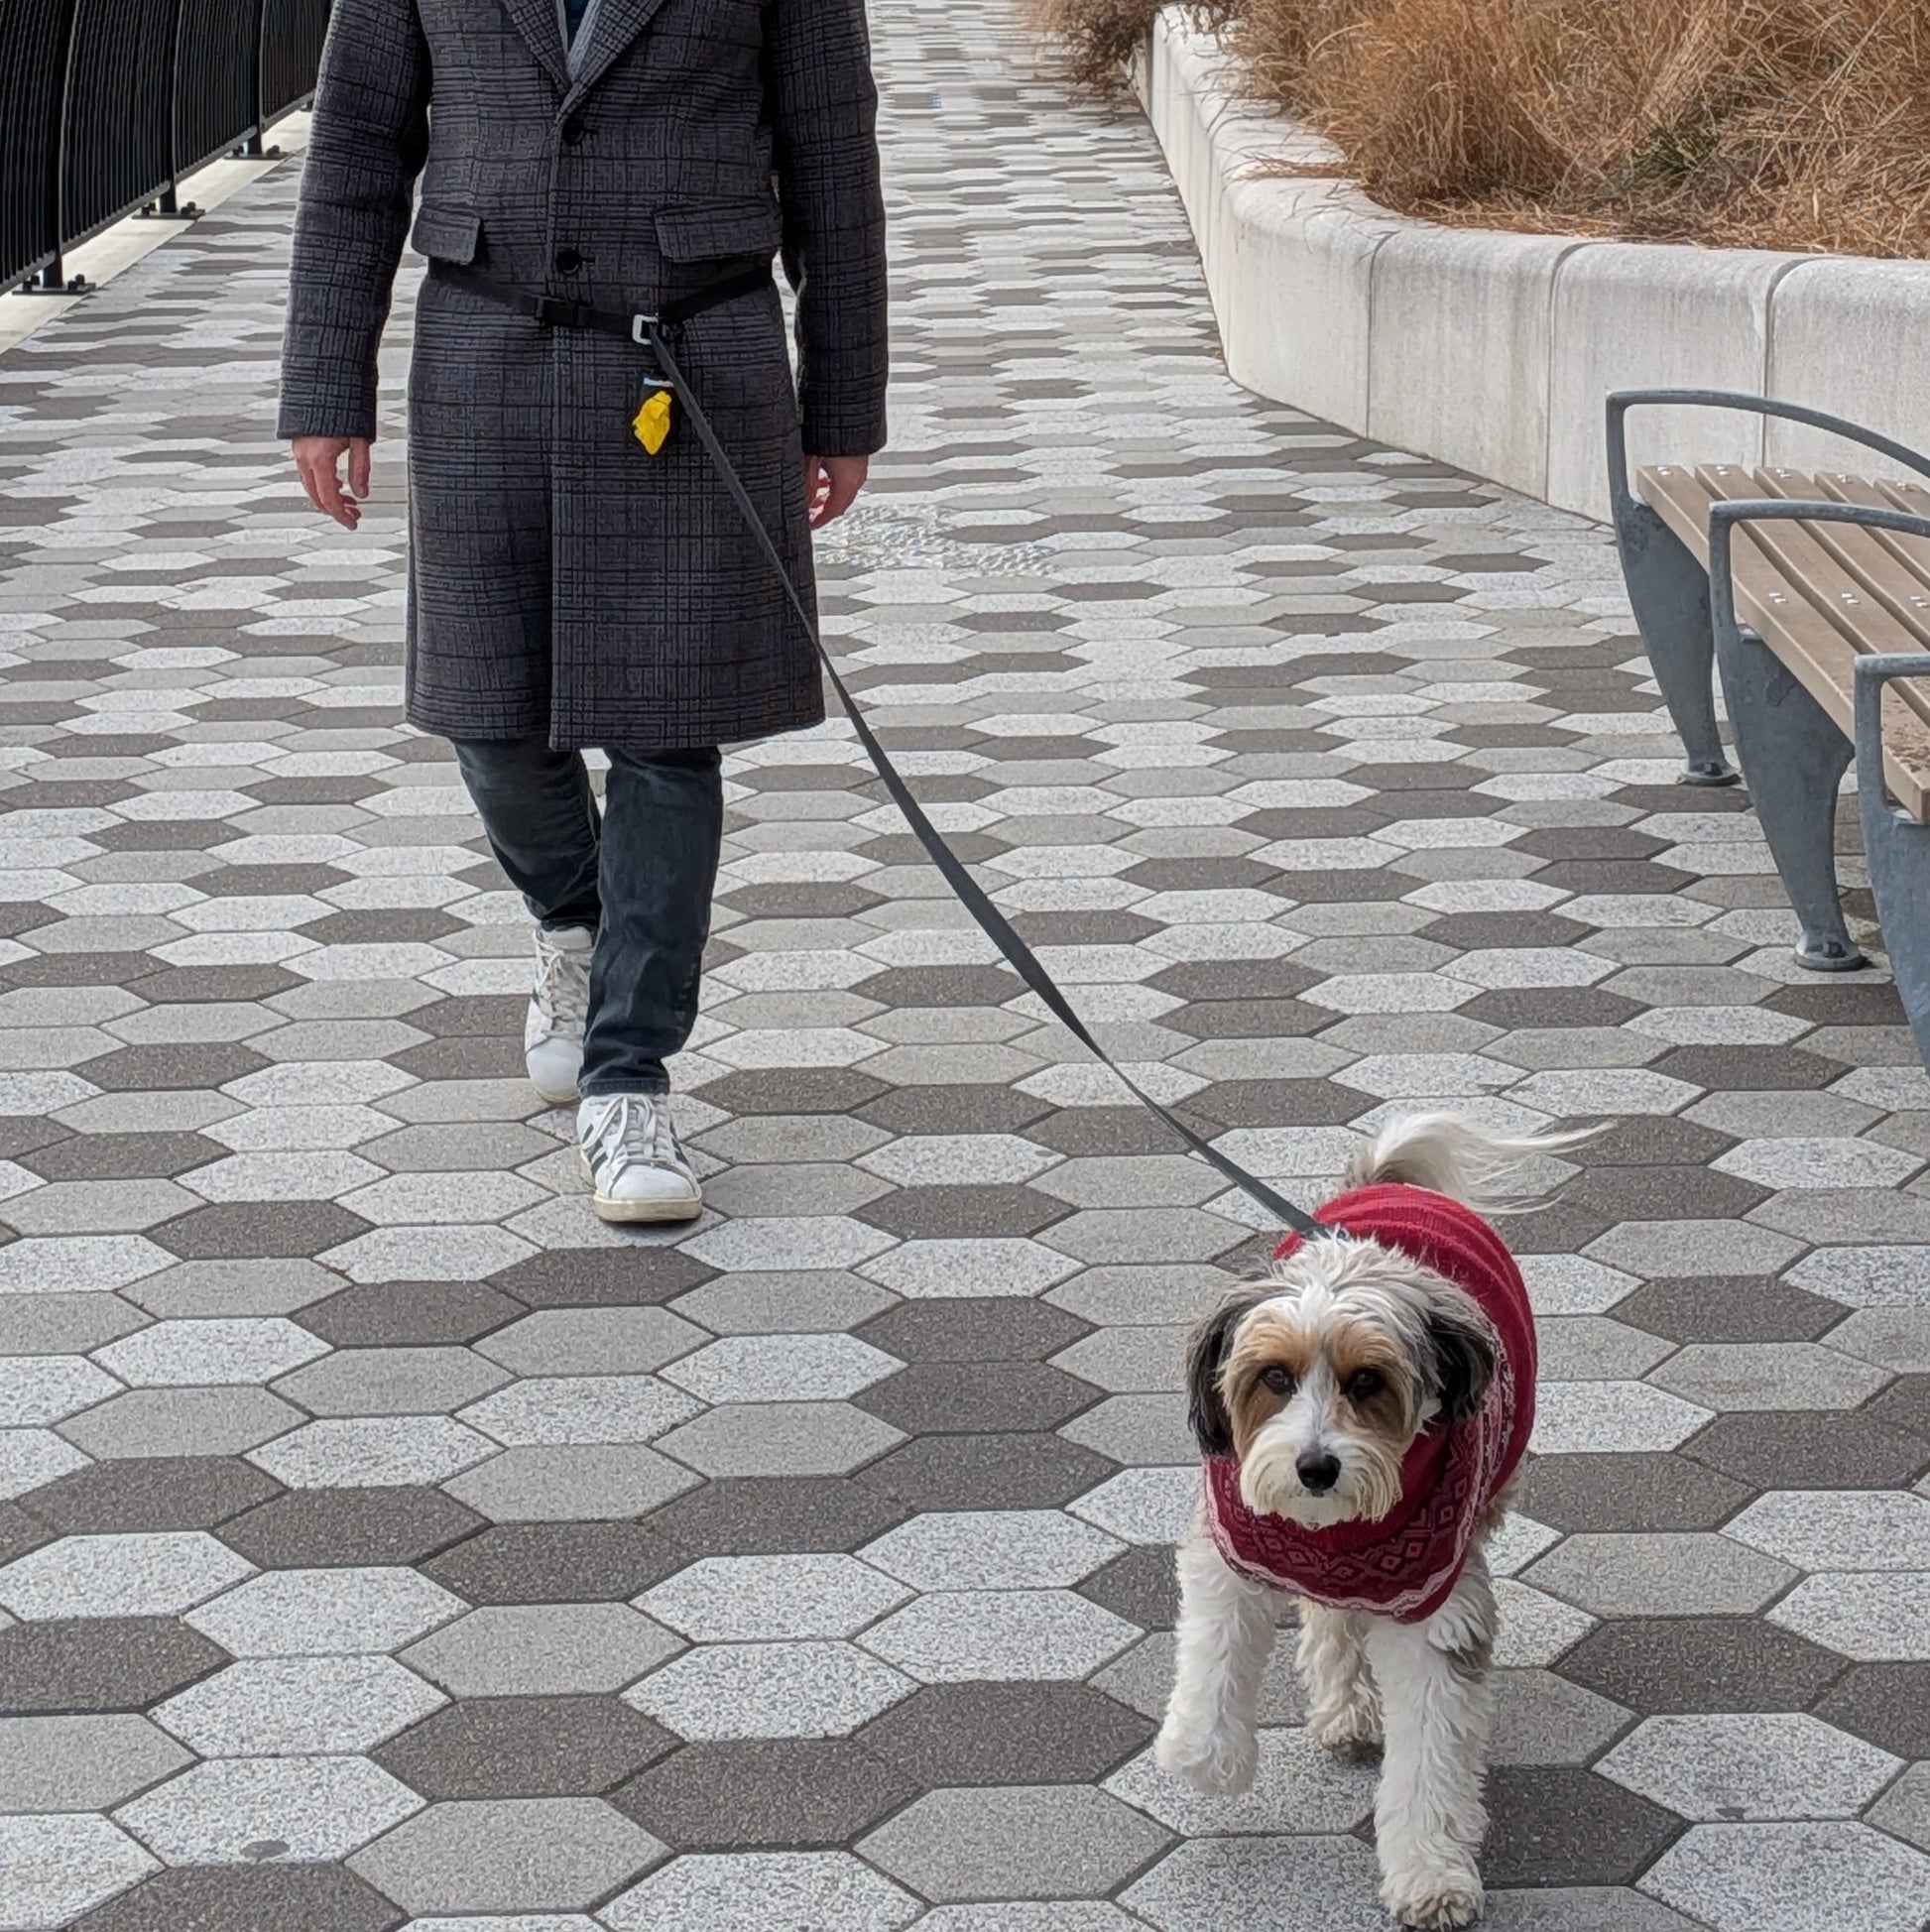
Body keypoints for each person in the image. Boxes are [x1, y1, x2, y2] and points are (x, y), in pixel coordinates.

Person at [279, 0, 887, 1223]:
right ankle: (576, 921)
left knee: (668, 737)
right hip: (481, 352)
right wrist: (324, 379)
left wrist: (842, 407)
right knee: (487, 716)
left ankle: (630, 1076)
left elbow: (832, 156)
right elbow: (355, 144)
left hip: (694, 359)